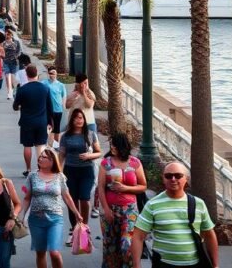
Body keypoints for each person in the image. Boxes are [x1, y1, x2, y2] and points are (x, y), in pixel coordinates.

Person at [130, 161, 217, 268]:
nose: (173, 179)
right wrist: (136, 266)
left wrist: (215, 265)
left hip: (194, 264)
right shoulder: (152, 205)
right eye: (168, 176)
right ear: (163, 179)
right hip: (163, 264)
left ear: (186, 179)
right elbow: (138, 236)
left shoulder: (198, 204)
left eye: (178, 175)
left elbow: (209, 235)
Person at [19, 148, 83, 268]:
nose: (40, 158)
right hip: (36, 219)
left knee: (54, 252)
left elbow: (67, 197)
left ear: (52, 161)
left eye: (44, 157)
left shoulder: (60, 177)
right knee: (41, 252)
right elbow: (27, 198)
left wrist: (76, 213)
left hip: (55, 219)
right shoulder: (32, 176)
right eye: (40, 156)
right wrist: (23, 216)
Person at [98, 133, 147, 268]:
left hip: (129, 209)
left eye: (114, 144)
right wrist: (106, 209)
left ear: (122, 146)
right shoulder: (106, 163)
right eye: (111, 144)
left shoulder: (135, 163)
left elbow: (143, 186)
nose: (112, 147)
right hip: (110, 208)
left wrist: (125, 188)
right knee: (110, 247)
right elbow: (101, 188)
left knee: (127, 245)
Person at [59, 109, 101, 243]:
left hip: (86, 171)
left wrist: (89, 156)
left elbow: (98, 152)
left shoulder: (90, 134)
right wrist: (58, 173)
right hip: (70, 171)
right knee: (72, 201)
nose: (79, 120)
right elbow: (61, 156)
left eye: (81, 118)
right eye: (77, 118)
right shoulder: (65, 136)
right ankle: (74, 229)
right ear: (72, 120)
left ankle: (84, 228)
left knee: (84, 198)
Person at [12, 65, 53, 176]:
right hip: (41, 121)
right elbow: (49, 106)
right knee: (40, 145)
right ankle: (41, 168)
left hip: (27, 121)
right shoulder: (45, 88)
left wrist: (21, 107)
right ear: (37, 74)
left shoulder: (22, 89)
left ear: (26, 75)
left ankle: (29, 169)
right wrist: (50, 122)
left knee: (27, 145)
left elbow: (15, 106)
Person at [42, 66, 67, 147]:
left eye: (53, 73)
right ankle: (49, 146)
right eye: (50, 73)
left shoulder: (61, 85)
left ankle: (56, 146)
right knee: (50, 129)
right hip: (48, 110)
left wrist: (63, 105)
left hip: (58, 110)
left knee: (57, 129)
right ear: (48, 74)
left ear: (56, 74)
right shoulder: (44, 83)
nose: (52, 75)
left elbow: (64, 96)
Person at [1, 29, 22, 98]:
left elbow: (19, 50)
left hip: (14, 62)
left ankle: (15, 91)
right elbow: (1, 50)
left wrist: (16, 56)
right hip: (6, 61)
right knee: (7, 77)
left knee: (13, 78)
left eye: (9, 34)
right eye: (6, 34)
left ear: (11, 34)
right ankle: (9, 92)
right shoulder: (3, 43)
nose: (7, 36)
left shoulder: (16, 42)